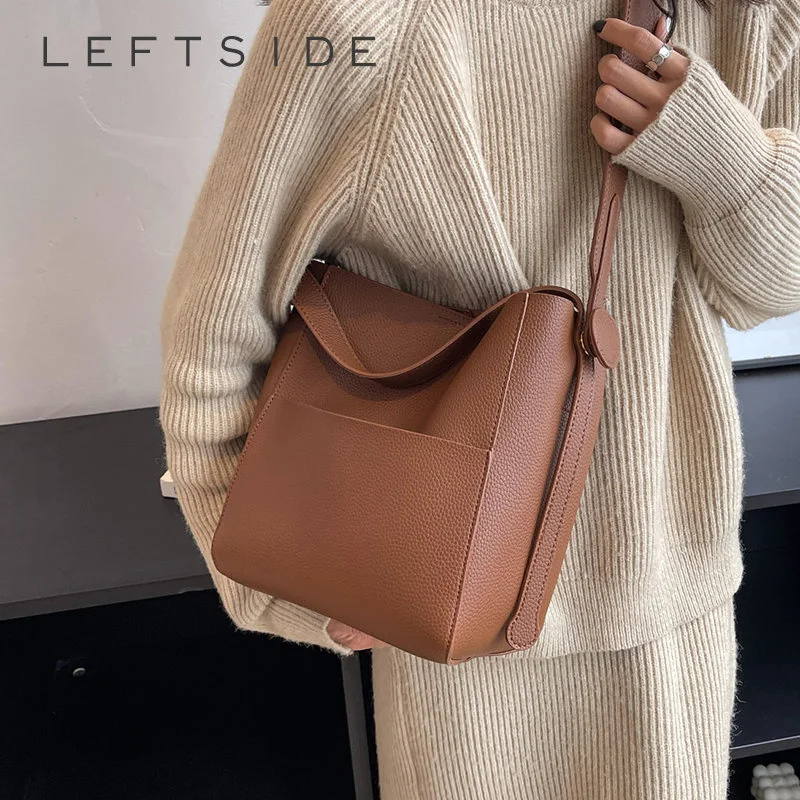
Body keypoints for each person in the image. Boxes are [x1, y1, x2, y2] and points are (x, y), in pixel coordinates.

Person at [158, 0, 800, 796]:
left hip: (678, 606)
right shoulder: (366, 21)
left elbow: (768, 290)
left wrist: (726, 159)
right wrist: (288, 582)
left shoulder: (753, 12)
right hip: (457, 629)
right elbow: (212, 338)